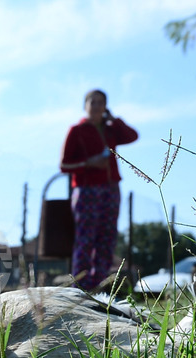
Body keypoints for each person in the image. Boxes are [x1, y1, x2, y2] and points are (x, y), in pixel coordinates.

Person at [59, 89, 138, 291]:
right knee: (86, 238)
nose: (96, 106)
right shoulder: (77, 130)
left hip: (111, 190)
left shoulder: (111, 130)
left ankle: (99, 285)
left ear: (105, 107)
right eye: (92, 102)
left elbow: (132, 136)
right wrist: (89, 163)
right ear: (85, 106)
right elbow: (64, 165)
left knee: (107, 237)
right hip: (87, 190)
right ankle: (80, 284)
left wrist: (114, 120)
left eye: (100, 103)